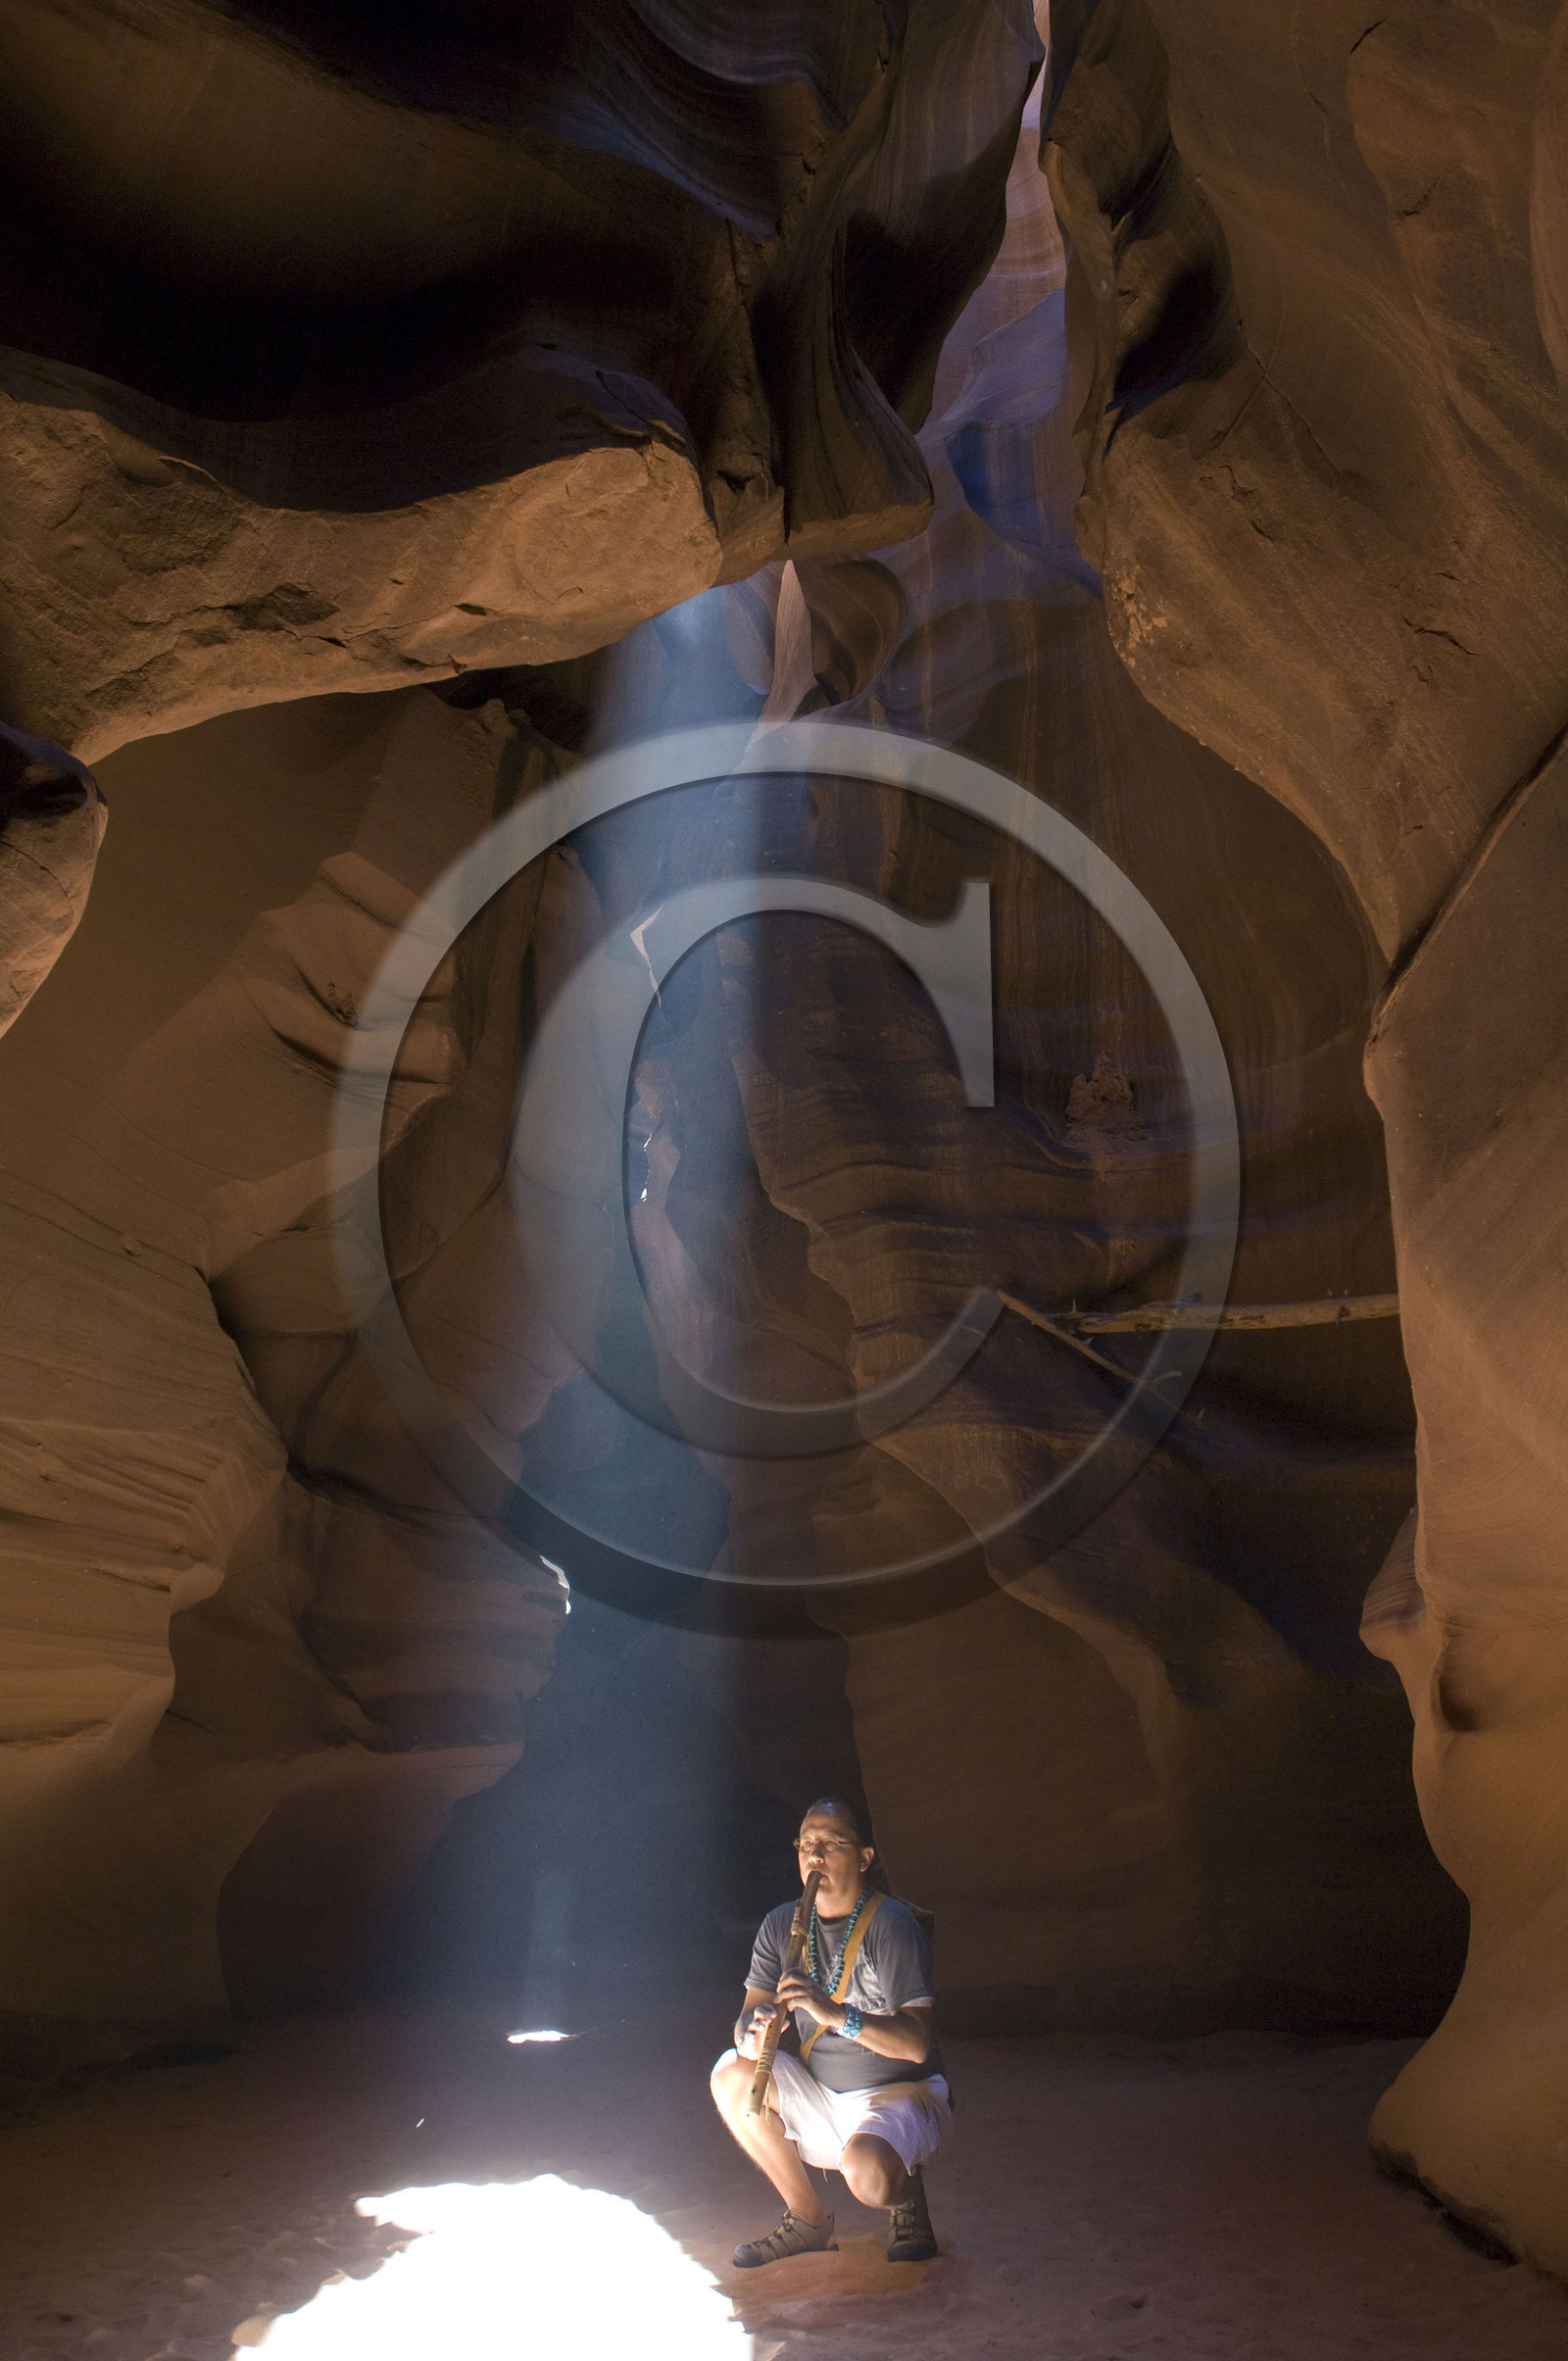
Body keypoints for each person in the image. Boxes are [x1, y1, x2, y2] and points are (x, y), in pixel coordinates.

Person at [710, 1795, 950, 2268]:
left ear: (864, 1859)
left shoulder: (891, 1925)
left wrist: (836, 2015)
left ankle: (905, 2192)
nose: (814, 1856)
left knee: (869, 2177)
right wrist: (752, 2034)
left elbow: (917, 2044)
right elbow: (746, 2016)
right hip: (824, 2095)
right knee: (729, 2074)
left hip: (900, 2098)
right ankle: (808, 2220)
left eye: (830, 1843)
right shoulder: (781, 1925)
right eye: (806, 1843)